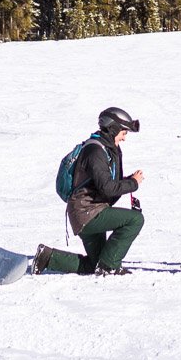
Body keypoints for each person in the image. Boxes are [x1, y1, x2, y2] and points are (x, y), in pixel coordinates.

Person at [34, 107, 145, 276]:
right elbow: (107, 188)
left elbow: (106, 183)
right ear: (113, 128)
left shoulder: (103, 148)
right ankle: (109, 266)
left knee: (94, 264)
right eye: (124, 132)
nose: (124, 138)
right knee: (135, 220)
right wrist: (133, 183)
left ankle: (47, 257)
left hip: (87, 211)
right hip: (88, 212)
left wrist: (129, 180)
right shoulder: (95, 151)